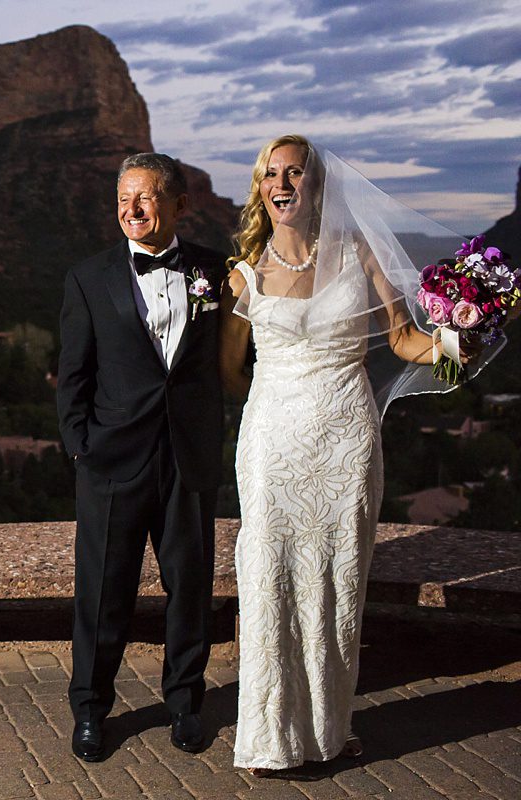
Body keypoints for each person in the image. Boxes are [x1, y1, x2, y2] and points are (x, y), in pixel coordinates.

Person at [219, 134, 486, 775]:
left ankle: (327, 732)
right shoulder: (242, 275)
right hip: (273, 445)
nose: (282, 183)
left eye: (295, 172)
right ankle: (267, 739)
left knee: (338, 580)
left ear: (317, 185)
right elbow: (231, 372)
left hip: (346, 439)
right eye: (271, 174)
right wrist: (269, 407)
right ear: (261, 189)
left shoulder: (358, 252)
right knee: (269, 578)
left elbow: (402, 339)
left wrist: (457, 343)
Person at [57, 152, 230, 761]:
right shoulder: (88, 276)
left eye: (146, 198)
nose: (131, 210)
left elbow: (233, 361)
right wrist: (81, 446)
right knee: (102, 592)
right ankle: (90, 710)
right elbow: (72, 375)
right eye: (122, 200)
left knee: (190, 587)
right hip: (111, 460)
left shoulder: (217, 270)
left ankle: (185, 703)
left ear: (181, 205)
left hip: (188, 457)